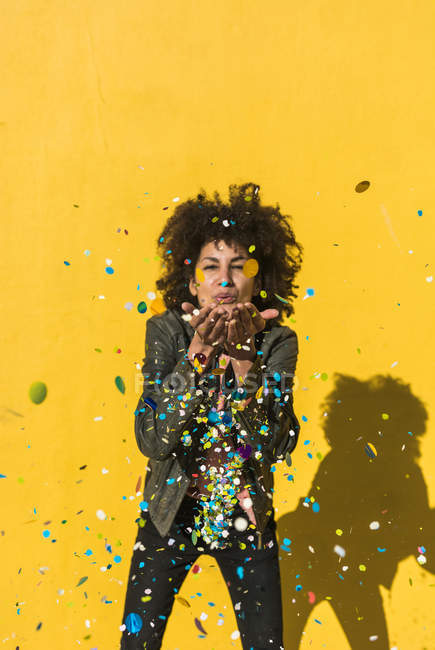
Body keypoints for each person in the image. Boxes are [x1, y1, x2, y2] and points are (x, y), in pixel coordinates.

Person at [119, 182, 304, 649]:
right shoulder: (164, 331)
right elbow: (152, 440)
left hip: (245, 518)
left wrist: (245, 364)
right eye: (211, 267)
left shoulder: (278, 343)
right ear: (192, 282)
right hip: (169, 517)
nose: (224, 280)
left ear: (259, 282)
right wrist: (196, 357)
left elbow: (276, 445)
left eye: (238, 268)